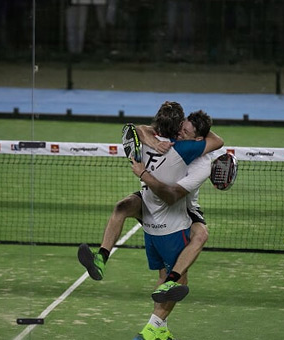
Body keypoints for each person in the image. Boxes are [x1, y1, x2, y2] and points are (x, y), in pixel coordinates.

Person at [77, 103, 222, 339]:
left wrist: (143, 173)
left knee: (194, 245)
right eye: (180, 129)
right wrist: (154, 142)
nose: (179, 134)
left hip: (179, 205)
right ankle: (101, 258)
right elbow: (138, 128)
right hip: (150, 201)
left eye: (185, 132)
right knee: (122, 207)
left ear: (197, 139)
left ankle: (154, 329)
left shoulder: (196, 158)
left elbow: (173, 195)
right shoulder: (166, 139)